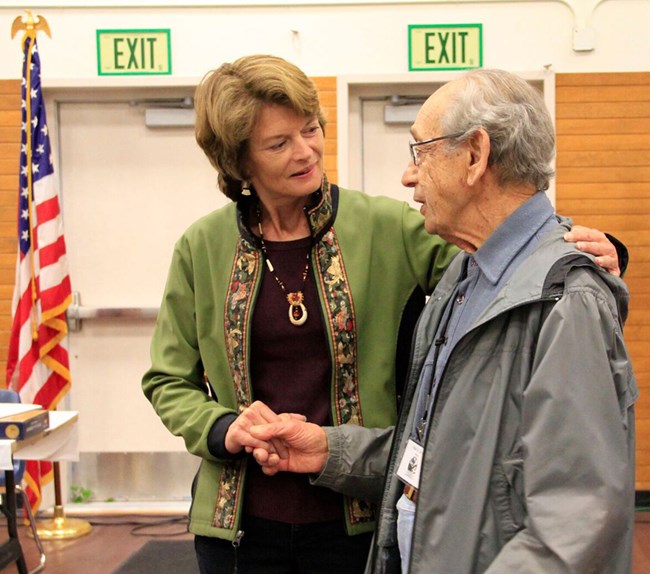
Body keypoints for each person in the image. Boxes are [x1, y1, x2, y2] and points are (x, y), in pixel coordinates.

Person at [141, 55, 624, 574]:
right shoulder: (202, 246)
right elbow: (168, 378)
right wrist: (223, 428)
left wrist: (596, 251)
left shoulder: (389, 225)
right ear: (240, 163)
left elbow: (506, 257)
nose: (305, 151)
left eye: (311, 129)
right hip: (237, 525)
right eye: (279, 144)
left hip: (360, 515)